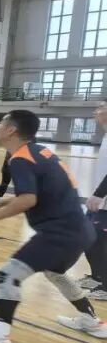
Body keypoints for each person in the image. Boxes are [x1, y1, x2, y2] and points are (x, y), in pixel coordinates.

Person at [0, 110, 106, 343]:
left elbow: (28, 200)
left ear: (11, 130)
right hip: (81, 230)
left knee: (7, 275)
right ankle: (92, 321)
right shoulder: (39, 152)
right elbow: (42, 192)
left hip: (60, 233)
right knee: (55, 273)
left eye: (2, 124)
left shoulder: (20, 159)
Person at [80, 102, 107, 299]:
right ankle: (98, 277)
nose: (96, 111)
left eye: (101, 107)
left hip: (103, 200)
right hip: (98, 200)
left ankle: (105, 287)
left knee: (100, 243)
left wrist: (99, 193)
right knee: (87, 238)